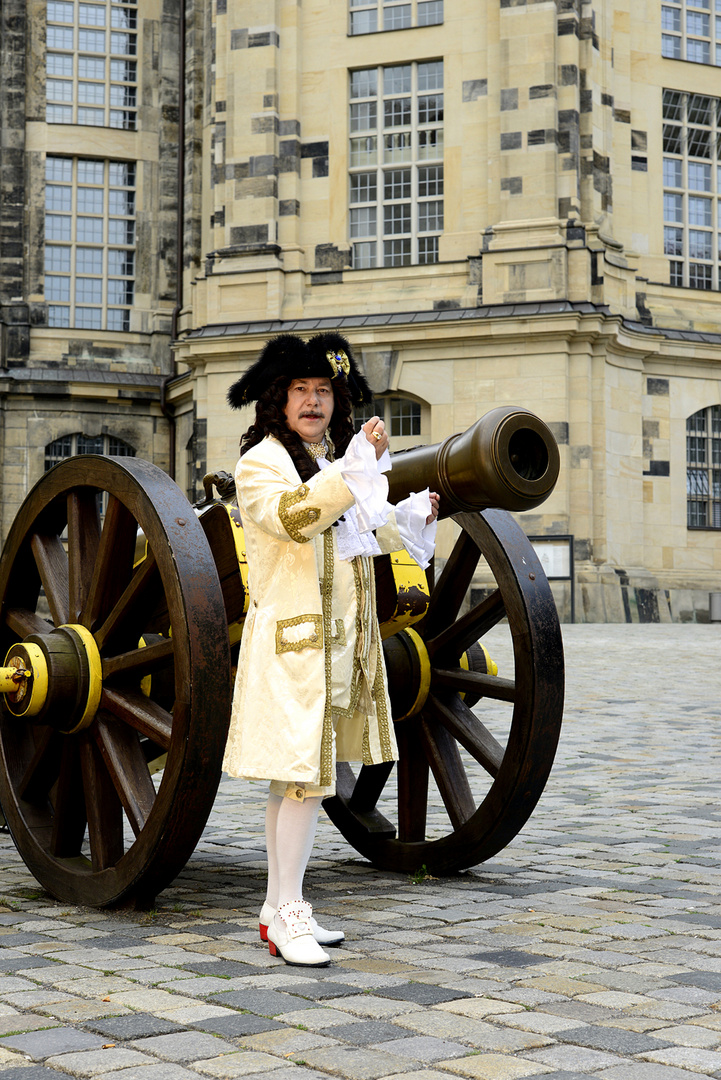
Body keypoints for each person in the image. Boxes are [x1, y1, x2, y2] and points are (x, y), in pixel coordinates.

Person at [223, 332, 439, 967]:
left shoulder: (326, 460)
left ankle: (279, 904)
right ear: (278, 400)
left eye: (323, 391)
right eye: (301, 391)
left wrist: (410, 515)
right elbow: (295, 518)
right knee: (301, 781)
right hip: (291, 646)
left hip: (336, 645)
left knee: (307, 784)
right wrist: (353, 469)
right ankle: (285, 910)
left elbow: (359, 533)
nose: (313, 402)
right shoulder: (262, 462)